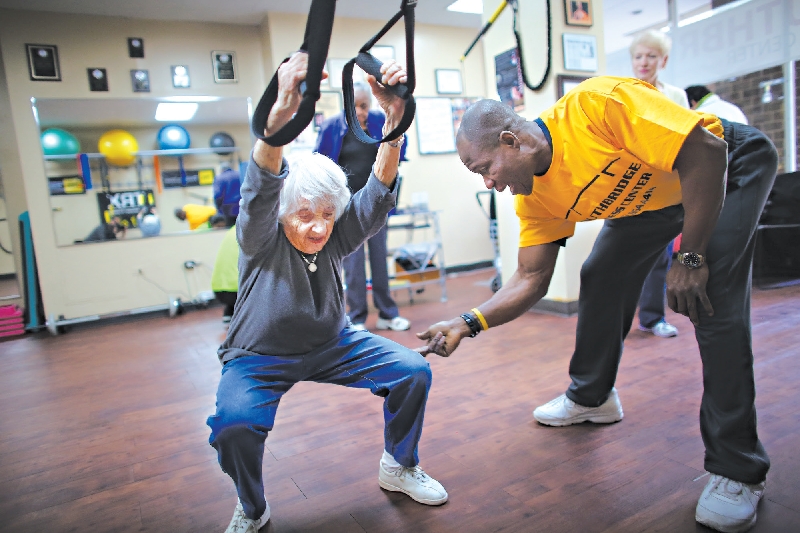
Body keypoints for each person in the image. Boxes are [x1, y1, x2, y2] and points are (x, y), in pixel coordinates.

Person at [417, 77, 777, 533]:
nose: (489, 183)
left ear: (511, 141)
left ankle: (737, 469)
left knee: (710, 299)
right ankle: (592, 397)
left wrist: (690, 255)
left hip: (724, 164)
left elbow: (704, 150)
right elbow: (531, 278)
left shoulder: (596, 108)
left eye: (485, 168)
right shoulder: (535, 197)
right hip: (657, 195)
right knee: (601, 273)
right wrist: (467, 322)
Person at [207, 53, 447, 533]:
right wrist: (277, 119)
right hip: (258, 356)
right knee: (235, 427)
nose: (318, 228)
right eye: (305, 215)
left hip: (333, 344)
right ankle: (252, 507)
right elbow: (259, 188)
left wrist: (395, 123)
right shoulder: (261, 237)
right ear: (283, 212)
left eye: (327, 214)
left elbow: (375, 194)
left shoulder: (335, 231)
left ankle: (398, 465)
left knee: (412, 372)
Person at [315, 82, 411, 332]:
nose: (360, 112)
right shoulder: (332, 127)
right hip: (347, 208)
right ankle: (356, 317)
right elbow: (320, 164)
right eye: (355, 106)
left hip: (376, 205)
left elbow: (400, 146)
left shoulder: (380, 121)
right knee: (353, 265)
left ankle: (387, 314)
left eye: (364, 106)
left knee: (380, 259)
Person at [629, 29, 688, 338]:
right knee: (622, 257)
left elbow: (685, 138)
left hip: (665, 186)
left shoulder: (675, 96)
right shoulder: (625, 94)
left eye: (651, 56)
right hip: (630, 188)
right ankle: (617, 318)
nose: (644, 62)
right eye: (639, 56)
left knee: (660, 256)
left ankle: (652, 318)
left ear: (662, 61)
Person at [211, 224, 239, 323]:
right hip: (237, 290)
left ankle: (230, 311)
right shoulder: (257, 230)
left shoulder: (233, 229)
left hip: (219, 288)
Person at [213, 162, 242, 227]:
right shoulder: (240, 175)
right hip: (242, 208)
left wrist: (218, 209)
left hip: (227, 211)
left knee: (231, 230)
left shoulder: (220, 178)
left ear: (221, 169)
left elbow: (218, 195)